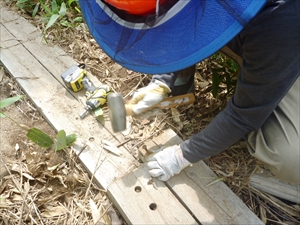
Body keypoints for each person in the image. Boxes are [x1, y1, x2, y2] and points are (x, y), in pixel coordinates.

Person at [79, 0, 300, 184]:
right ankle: (181, 82)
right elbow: (182, 20)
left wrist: (182, 155)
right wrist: (162, 81)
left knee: (290, 159)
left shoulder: (282, 17)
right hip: (263, 34)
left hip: (288, 42)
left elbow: (243, 116)